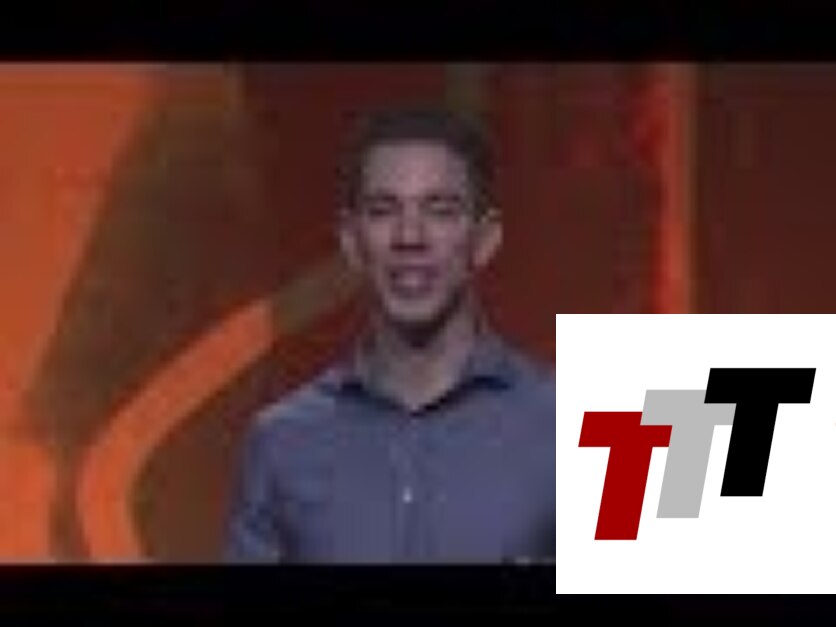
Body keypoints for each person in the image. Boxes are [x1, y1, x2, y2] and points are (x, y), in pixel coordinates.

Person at [224, 106, 555, 563]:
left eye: (440, 211)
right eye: (383, 211)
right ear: (350, 240)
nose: (410, 237)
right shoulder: (281, 442)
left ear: (484, 239)